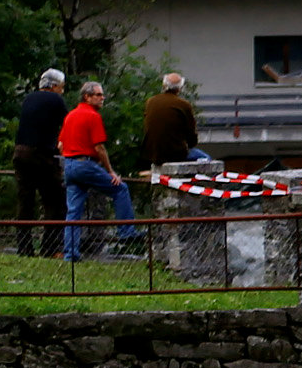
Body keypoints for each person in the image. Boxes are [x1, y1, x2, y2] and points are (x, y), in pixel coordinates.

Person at [56, 79, 135, 263]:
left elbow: (60, 144)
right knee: (120, 189)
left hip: (70, 164)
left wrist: (71, 156)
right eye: (98, 95)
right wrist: (110, 172)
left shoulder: (70, 116)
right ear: (87, 97)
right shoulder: (93, 116)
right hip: (86, 163)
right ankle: (126, 231)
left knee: (73, 212)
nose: (102, 98)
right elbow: (99, 147)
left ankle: (71, 253)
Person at [12, 69, 69, 239]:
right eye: (61, 86)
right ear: (54, 86)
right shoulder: (56, 100)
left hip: (20, 152)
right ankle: (50, 245)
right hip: (41, 154)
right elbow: (67, 124)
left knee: (25, 200)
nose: (62, 90)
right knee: (55, 199)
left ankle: (23, 244)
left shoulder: (29, 98)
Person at [143, 72, 200, 169]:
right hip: (175, 154)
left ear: (164, 85)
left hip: (152, 153)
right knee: (205, 158)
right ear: (180, 88)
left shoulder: (150, 101)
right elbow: (191, 136)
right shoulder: (184, 105)